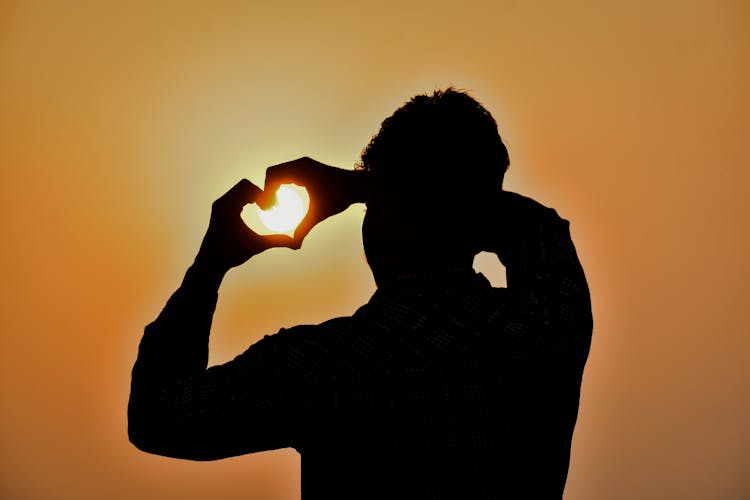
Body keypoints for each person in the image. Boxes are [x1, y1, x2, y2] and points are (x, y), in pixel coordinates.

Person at [128, 88, 592, 499]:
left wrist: (210, 266)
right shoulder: (543, 331)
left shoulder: (319, 366)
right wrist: (371, 187)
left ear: (387, 210)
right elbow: (539, 229)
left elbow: (158, 415)